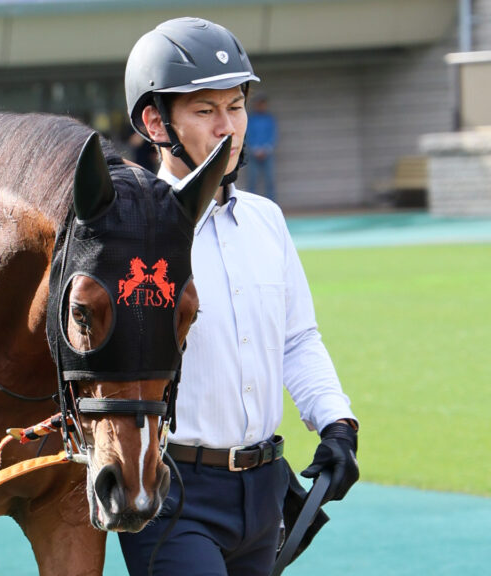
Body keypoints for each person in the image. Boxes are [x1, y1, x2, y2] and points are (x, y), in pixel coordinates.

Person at [118, 17, 359, 576]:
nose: (228, 128)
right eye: (206, 111)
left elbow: (297, 339)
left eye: (236, 106)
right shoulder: (130, 232)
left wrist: (336, 424)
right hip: (171, 497)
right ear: (156, 122)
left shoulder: (266, 220)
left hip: (263, 494)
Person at [245, 94, 278, 201]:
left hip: (267, 153)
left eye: (263, 104)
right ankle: (251, 204)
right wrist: (255, 149)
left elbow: (273, 134)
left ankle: (272, 203)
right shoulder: (251, 119)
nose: (261, 106)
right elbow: (247, 135)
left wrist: (266, 148)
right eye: (259, 104)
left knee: (270, 179)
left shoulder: (269, 118)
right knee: (252, 180)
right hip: (253, 153)